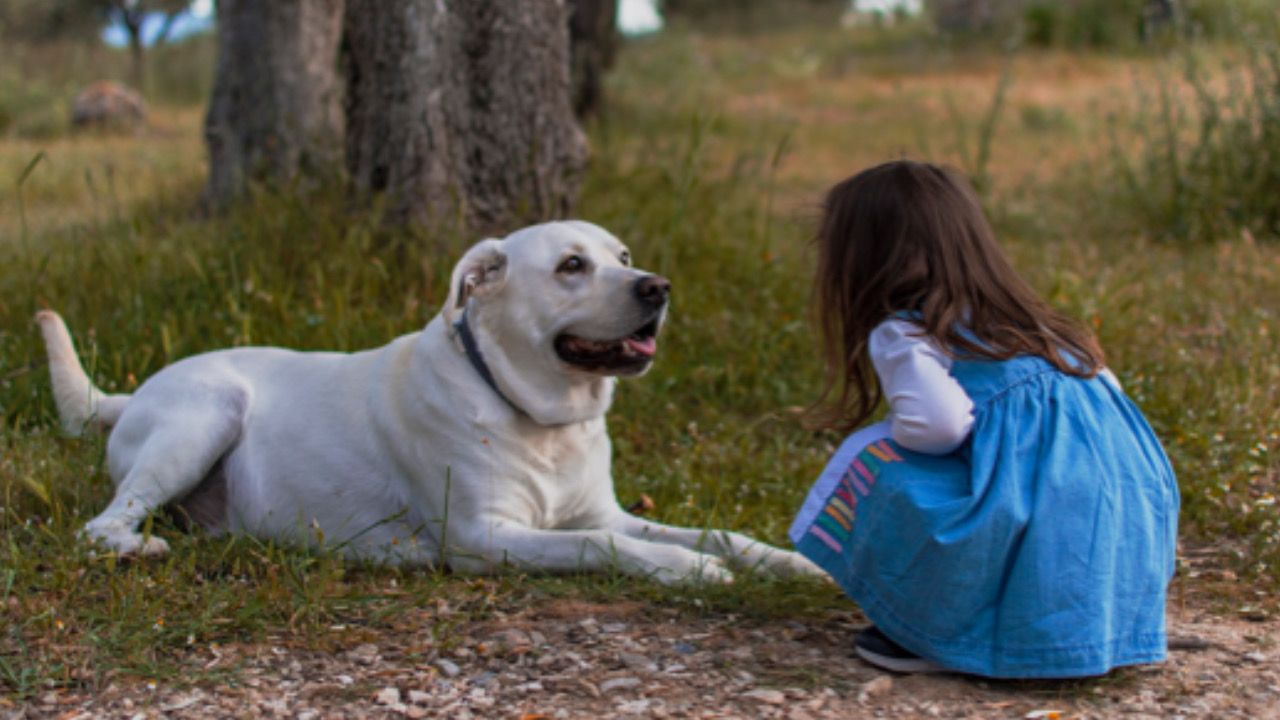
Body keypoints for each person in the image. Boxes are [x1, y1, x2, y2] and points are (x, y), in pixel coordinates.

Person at [789, 160, 1179, 678]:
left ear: (863, 259)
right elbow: (1109, 402)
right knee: (1040, 491)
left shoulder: (907, 332)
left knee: (874, 458)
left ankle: (934, 631)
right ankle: (1098, 628)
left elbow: (940, 426)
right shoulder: (1043, 327)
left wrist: (900, 437)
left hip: (1033, 518)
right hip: (1127, 517)